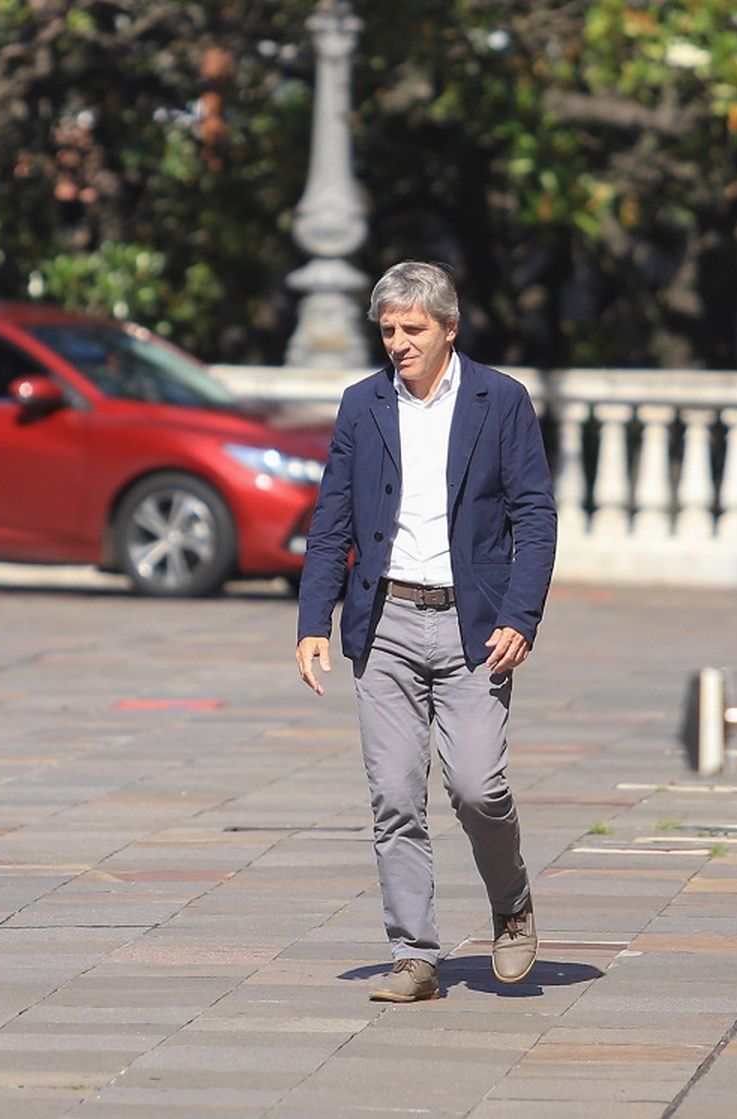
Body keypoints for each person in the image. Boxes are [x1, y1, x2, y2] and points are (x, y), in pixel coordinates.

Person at [294, 260, 557, 1003]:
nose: (399, 343)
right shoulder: (363, 404)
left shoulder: (500, 400)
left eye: (413, 329)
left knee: (478, 785)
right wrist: (316, 620)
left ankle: (511, 905)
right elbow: (331, 522)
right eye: (388, 330)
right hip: (384, 624)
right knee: (395, 797)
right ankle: (414, 955)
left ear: (449, 326)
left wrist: (520, 615)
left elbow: (535, 516)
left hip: (475, 626)